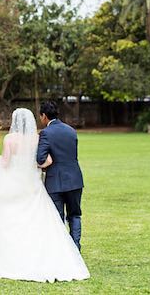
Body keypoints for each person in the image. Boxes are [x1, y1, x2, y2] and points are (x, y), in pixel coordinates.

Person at [0, 108, 89, 282]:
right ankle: (68, 250)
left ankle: (15, 256)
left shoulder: (10, 139)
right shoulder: (37, 138)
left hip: (16, 185)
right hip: (33, 186)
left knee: (14, 219)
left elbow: (5, 163)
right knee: (40, 220)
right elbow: (47, 161)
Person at [36, 100, 84, 252]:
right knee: (75, 215)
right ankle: (75, 248)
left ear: (44, 116)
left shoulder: (45, 133)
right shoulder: (71, 130)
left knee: (57, 218)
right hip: (75, 180)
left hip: (55, 181)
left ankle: (62, 251)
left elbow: (40, 158)